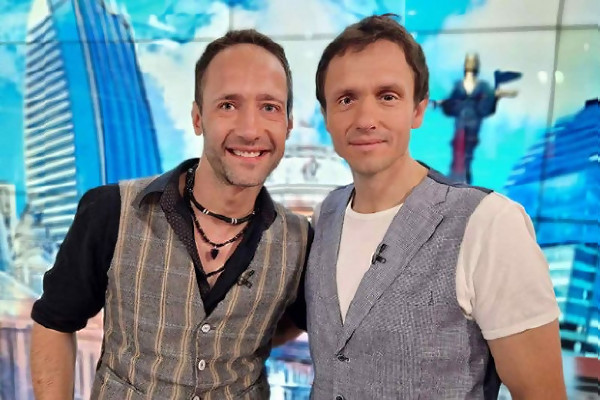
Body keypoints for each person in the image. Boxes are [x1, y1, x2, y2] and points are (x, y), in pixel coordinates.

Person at [30, 29, 311, 400]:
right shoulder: (111, 209)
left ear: (288, 124)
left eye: (269, 107)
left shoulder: (300, 240)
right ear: (197, 118)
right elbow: (54, 322)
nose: (249, 129)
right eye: (228, 105)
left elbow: (295, 323)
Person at [305, 15, 566, 399]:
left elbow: (541, 393)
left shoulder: (489, 223)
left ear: (418, 110)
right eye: (346, 99)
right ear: (326, 114)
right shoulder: (325, 215)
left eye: (387, 96)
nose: (366, 119)